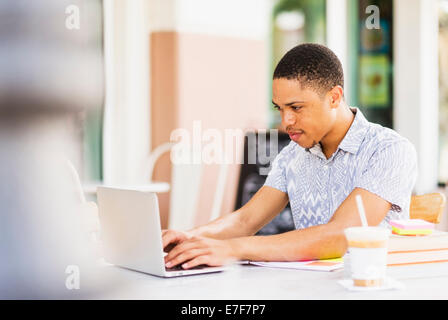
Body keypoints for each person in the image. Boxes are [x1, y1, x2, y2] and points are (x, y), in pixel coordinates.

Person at [162, 43, 418, 270]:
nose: (286, 122)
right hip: (304, 288)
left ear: (334, 97)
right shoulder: (290, 156)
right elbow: (245, 219)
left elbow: (341, 235)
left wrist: (233, 249)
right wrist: (188, 238)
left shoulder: (388, 150)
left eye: (296, 108)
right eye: (280, 109)